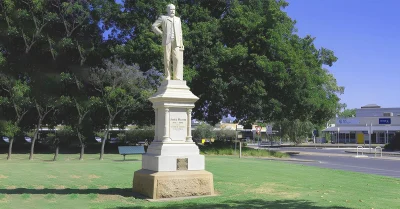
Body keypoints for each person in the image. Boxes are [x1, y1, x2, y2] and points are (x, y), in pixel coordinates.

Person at [152, 4, 184, 80]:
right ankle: (168, 76)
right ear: (168, 10)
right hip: (167, 40)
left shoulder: (178, 19)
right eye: (171, 9)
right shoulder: (163, 18)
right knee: (167, 58)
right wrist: (161, 33)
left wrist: (181, 42)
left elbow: (180, 32)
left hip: (176, 41)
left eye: (174, 9)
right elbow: (154, 26)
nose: (173, 11)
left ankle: (176, 76)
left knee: (176, 58)